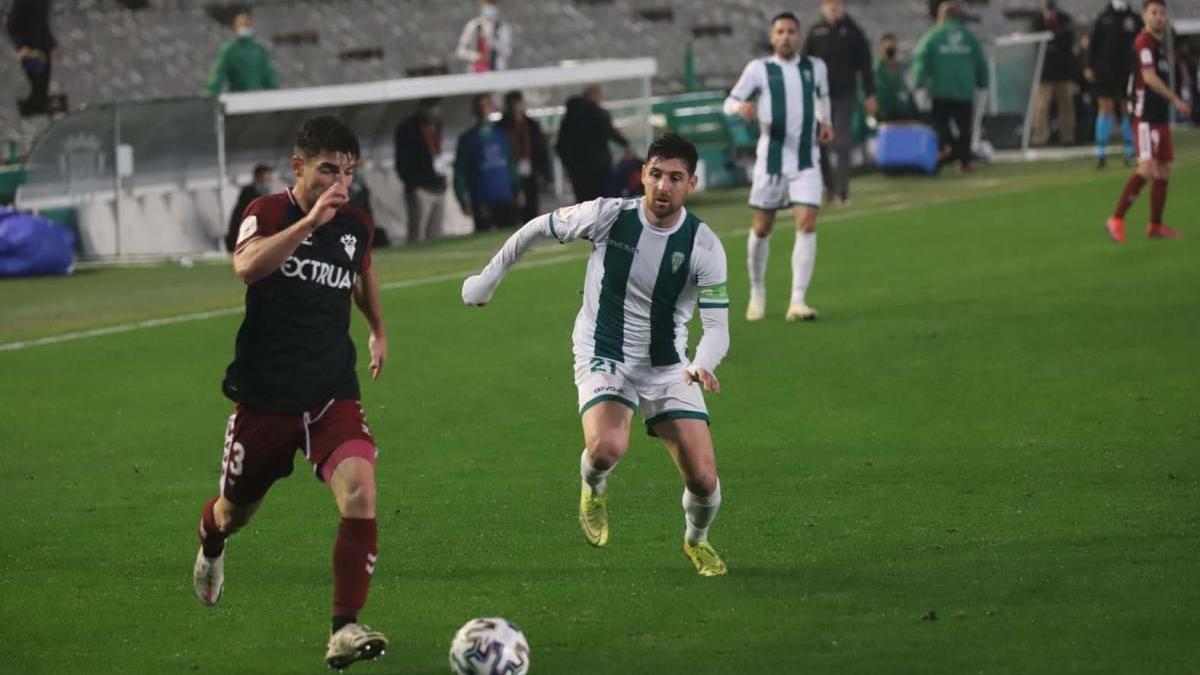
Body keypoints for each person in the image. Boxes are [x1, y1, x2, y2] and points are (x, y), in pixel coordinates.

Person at [460, 133, 731, 577]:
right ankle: (594, 485)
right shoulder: (608, 214)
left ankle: (696, 541)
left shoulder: (705, 246)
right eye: (656, 175)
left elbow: (718, 327)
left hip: (668, 366)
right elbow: (536, 227)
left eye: (675, 178)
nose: (663, 187)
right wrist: (488, 280)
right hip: (604, 350)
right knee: (606, 447)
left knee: (703, 480)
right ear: (643, 174)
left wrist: (703, 363)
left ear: (692, 183)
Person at [192, 116, 390, 670]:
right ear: (298, 166)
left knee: (360, 493)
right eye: (328, 169)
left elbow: (361, 272)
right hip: (265, 399)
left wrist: (377, 329)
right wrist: (308, 224)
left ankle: (344, 629)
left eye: (348, 172)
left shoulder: (355, 225)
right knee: (235, 513)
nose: (340, 184)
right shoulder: (267, 212)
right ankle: (211, 543)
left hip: (330, 391)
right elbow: (247, 267)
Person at [724, 11, 834, 322]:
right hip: (771, 161)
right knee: (762, 228)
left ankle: (797, 301)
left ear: (799, 37)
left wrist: (826, 123)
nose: (786, 36)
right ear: (773, 38)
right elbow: (729, 101)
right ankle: (757, 291)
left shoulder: (816, 68)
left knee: (808, 222)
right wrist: (740, 106)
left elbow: (823, 99)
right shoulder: (759, 69)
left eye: (791, 31)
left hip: (806, 159)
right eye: (780, 32)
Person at [1104, 0, 1190, 243]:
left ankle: (1155, 225)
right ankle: (1116, 219)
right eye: (1154, 13)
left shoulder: (1159, 45)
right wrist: (1176, 100)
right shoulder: (1143, 42)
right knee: (1147, 167)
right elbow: (1149, 78)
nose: (1159, 17)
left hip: (1158, 115)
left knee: (1163, 170)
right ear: (1144, 16)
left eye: (1162, 13)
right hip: (1145, 115)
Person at [803, 0, 875, 206]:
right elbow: (803, 64)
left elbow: (866, 65)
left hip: (845, 95)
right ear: (822, 6)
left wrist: (870, 94)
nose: (834, 7)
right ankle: (829, 185)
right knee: (820, 145)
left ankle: (841, 193)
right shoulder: (816, 32)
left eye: (837, 3)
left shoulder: (853, 32)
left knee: (842, 143)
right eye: (830, 3)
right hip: (819, 98)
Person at [911, 1, 988, 173]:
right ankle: (964, 161)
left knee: (940, 125)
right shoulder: (968, 36)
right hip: (964, 91)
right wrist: (983, 81)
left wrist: (920, 81)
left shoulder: (933, 35)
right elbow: (980, 61)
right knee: (964, 128)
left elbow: (920, 59)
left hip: (941, 90)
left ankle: (951, 149)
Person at [454, 93, 520, 232]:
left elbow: (511, 164)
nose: (484, 110)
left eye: (486, 106)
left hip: (504, 196)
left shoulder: (501, 134)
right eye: (480, 107)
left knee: (509, 235)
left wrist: (517, 188)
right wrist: (462, 199)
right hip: (481, 198)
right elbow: (460, 171)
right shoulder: (467, 139)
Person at [1087, 0, 1142, 167]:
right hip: (1105, 71)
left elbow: (1139, 43)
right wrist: (1090, 65)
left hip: (1126, 70)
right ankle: (1101, 153)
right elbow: (1094, 44)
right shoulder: (1103, 18)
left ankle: (1129, 150)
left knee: (1127, 108)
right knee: (1105, 108)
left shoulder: (1133, 18)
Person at [555, 85, 630, 203]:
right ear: (595, 96)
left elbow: (560, 146)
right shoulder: (599, 114)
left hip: (577, 171)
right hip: (600, 168)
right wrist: (626, 143)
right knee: (602, 203)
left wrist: (570, 166)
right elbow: (610, 132)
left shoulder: (568, 118)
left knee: (583, 205)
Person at [394, 97, 447, 244]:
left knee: (436, 234)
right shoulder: (408, 129)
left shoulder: (437, 126)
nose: (434, 110)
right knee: (417, 234)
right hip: (421, 189)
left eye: (436, 105)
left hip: (438, 187)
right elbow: (401, 162)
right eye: (431, 105)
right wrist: (414, 184)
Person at [500, 90, 552, 224]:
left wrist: (547, 175)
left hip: (530, 172)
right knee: (512, 210)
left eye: (517, 104)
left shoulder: (531, 125)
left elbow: (541, 150)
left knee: (531, 208)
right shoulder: (501, 127)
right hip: (509, 174)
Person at [1030, 1, 1077, 146]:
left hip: (1063, 70)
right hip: (1044, 70)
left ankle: (1068, 136)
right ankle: (1039, 137)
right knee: (1041, 106)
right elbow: (1036, 42)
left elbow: (1068, 42)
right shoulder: (1037, 20)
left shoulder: (1064, 19)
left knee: (1066, 105)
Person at [206, 11, 278, 94]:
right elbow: (219, 74)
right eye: (243, 25)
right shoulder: (230, 50)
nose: (246, 28)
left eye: (248, 25)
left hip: (257, 97)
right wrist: (211, 94)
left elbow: (268, 75)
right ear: (236, 27)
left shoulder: (258, 49)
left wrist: (274, 92)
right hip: (237, 97)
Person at [6, 0, 56, 116]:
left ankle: (38, 108)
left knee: (42, 85)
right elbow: (12, 24)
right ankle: (30, 111)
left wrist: (52, 45)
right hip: (30, 49)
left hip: (42, 48)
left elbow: (43, 25)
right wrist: (22, 46)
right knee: (36, 83)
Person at [224, 164, 275, 252]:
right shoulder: (249, 193)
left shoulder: (261, 192)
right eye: (267, 176)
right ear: (258, 176)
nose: (269, 179)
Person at [455, 0, 512, 73]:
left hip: (497, 71)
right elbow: (460, 51)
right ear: (482, 5)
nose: (490, 7)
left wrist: (492, 41)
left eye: (492, 4)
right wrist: (475, 56)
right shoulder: (473, 25)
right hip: (476, 72)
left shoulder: (502, 27)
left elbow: (507, 52)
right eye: (487, 4)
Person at [874, 33, 918, 122]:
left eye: (892, 48)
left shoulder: (902, 70)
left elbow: (909, 92)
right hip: (884, 117)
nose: (890, 51)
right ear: (881, 49)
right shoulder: (875, 71)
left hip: (904, 116)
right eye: (887, 48)